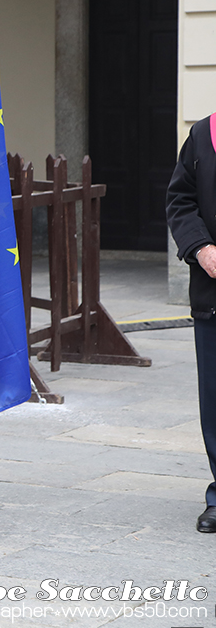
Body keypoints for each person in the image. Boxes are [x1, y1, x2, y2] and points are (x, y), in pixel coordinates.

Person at [165, 115, 216, 534]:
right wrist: (200, 248)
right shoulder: (204, 134)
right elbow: (180, 200)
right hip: (213, 297)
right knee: (215, 403)